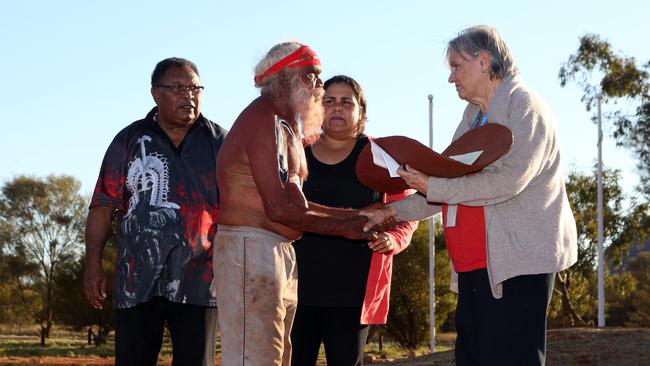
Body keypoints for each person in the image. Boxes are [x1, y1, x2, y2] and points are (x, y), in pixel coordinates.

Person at [363, 25, 578, 365]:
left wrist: (431, 185)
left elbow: (508, 182)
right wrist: (390, 214)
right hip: (473, 267)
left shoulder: (525, 106)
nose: (451, 78)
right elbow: (446, 181)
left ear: (483, 61)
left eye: (456, 66)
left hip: (516, 266)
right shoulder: (473, 116)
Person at [213, 43, 379, 366]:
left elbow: (298, 204)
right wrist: (349, 225)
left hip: (276, 253)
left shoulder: (287, 127)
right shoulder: (262, 119)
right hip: (251, 249)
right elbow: (278, 208)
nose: (320, 86)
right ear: (286, 78)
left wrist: (358, 217)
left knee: (274, 359)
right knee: (255, 359)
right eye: (312, 76)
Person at [83, 57, 226, 366]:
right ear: (155, 93)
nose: (189, 95)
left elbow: (239, 207)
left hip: (200, 282)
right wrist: (92, 265)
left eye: (195, 87)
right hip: (135, 281)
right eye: (177, 88)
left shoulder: (220, 143)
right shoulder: (129, 141)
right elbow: (103, 206)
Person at [290, 75, 418, 366]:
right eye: (329, 101)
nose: (337, 108)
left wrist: (393, 239)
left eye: (346, 102)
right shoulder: (296, 151)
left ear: (361, 110)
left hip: (353, 293)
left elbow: (409, 211)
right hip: (296, 288)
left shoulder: (381, 157)